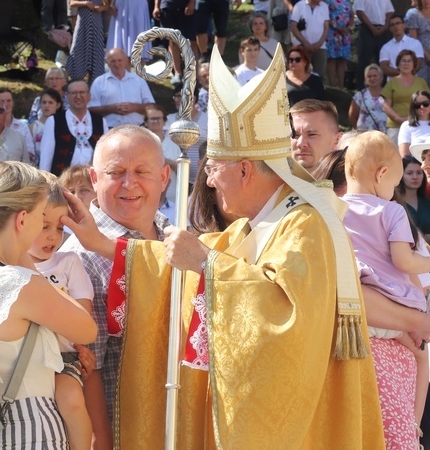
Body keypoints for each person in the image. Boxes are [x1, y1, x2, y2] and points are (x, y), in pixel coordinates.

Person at [60, 46, 385, 449]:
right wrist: (101, 244)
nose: (209, 183)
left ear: (245, 169)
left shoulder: (304, 225)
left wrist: (208, 265)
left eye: (213, 169)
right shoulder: (259, 224)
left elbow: (287, 322)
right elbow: (180, 258)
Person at [0, 160, 96, 449]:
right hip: (29, 428)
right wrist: (27, 262)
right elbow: (86, 330)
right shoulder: (21, 283)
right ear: (22, 220)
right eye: (41, 215)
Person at [59, 125, 170, 449]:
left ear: (164, 177)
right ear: (94, 179)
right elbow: (82, 370)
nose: (129, 183)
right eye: (116, 172)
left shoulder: (178, 238)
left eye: (141, 171)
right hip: (123, 431)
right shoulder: (79, 260)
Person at [342, 131, 430, 449]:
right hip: (393, 312)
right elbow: (404, 262)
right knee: (421, 355)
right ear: (381, 174)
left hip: (358, 314)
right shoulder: (391, 210)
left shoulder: (333, 210)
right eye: (394, 184)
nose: (393, 192)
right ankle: (415, 431)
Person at [27, 176, 94, 450]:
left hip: (63, 358)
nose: (53, 236)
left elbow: (82, 317)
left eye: (60, 227)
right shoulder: (6, 266)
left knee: (71, 400)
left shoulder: (68, 262)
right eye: (43, 227)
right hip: (21, 359)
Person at [39, 80, 108, 176]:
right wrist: (44, 182)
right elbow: (46, 157)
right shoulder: (54, 121)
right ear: (67, 96)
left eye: (82, 92)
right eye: (74, 93)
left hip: (92, 183)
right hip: (62, 182)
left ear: (89, 96)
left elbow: (106, 155)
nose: (78, 96)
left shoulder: (100, 121)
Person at [88, 47, 154, 128]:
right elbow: (90, 109)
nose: (117, 64)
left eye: (120, 60)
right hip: (109, 130)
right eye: (113, 61)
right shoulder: (99, 82)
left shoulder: (139, 81)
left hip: (136, 129)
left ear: (126, 61)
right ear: (107, 62)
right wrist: (111, 109)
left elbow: (152, 107)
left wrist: (135, 107)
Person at [66, 0, 107, 84]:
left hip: (96, 21)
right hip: (83, 19)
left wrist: (101, 7)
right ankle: (75, 74)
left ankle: (95, 77)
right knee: (78, 45)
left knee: (97, 47)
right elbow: (72, 2)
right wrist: (84, 3)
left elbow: (106, 4)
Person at [354, 0, 394, 88]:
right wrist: (372, 28)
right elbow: (360, 12)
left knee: (383, 59)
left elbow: (390, 11)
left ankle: (384, 87)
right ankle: (361, 88)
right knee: (364, 59)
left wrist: (386, 26)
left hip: (383, 29)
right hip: (367, 29)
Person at [382, 49, 430, 144]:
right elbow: (386, 106)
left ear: (414, 65)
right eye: (403, 61)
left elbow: (428, 102)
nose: (406, 64)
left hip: (419, 126)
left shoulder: (421, 82)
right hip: (395, 126)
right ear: (398, 64)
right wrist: (399, 119)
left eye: (409, 61)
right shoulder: (391, 83)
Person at [291, 98, 342, 174]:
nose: (300, 143)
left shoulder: (350, 183)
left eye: (312, 135)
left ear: (337, 140)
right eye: (294, 135)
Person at [290, 0, 329, 80]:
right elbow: (293, 27)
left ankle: (318, 95)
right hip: (302, 47)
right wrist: (305, 43)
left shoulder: (324, 6)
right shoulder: (299, 6)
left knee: (320, 76)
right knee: (301, 74)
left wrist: (319, 43)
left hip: (320, 47)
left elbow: (326, 27)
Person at [324, 0, 353, 88]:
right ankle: (332, 85)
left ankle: (341, 85)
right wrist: (337, 27)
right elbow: (324, 15)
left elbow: (351, 13)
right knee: (332, 58)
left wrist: (349, 26)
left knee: (342, 59)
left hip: (345, 32)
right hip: (332, 32)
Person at [0, 87, 36, 163]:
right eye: (2, 101)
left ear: (13, 102)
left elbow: (31, 154)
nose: (6, 104)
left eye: (9, 101)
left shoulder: (23, 127)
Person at [380, 15, 425, 82]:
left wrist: (405, 72)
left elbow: (418, 64)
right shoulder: (386, 47)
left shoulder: (415, 43)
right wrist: (403, 72)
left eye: (398, 23)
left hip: (412, 82)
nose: (395, 26)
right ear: (389, 29)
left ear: (404, 25)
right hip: (393, 83)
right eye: (392, 25)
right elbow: (384, 68)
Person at [348, 63, 387, 131]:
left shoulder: (388, 94)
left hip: (384, 133)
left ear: (381, 77)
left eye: (375, 76)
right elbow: (352, 116)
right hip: (365, 134)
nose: (372, 78)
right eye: (369, 76)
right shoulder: (360, 95)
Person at [400, 154, 430, 237]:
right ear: (401, 176)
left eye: (419, 173)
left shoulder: (427, 203)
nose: (415, 177)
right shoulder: (396, 204)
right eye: (409, 173)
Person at [31, 87, 63, 163]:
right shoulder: (33, 127)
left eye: (50, 102)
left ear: (58, 105)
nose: (46, 105)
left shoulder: (63, 126)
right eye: (44, 102)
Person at [406, 0, 430, 87]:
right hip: (421, 55)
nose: (426, 0)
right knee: (423, 84)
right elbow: (413, 39)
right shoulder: (414, 15)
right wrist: (427, 55)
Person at [398, 90, 430, 158]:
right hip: (415, 166)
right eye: (417, 105)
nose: (422, 107)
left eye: (425, 104)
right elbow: (404, 155)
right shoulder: (406, 126)